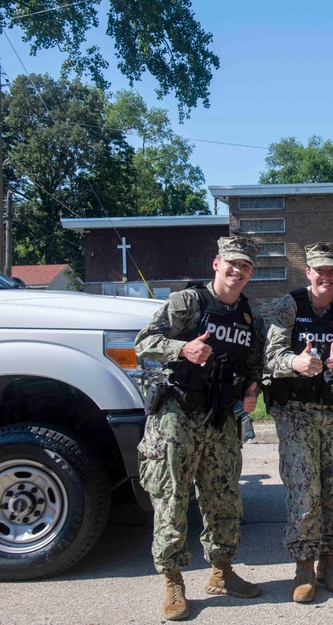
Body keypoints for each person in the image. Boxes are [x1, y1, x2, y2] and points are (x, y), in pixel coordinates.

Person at [135, 236, 265, 621]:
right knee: (172, 497)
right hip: (177, 414)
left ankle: (222, 572)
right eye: (232, 263)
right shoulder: (187, 304)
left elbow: (254, 366)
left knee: (224, 496)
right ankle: (173, 581)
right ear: (216, 263)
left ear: (251, 273)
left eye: (244, 266)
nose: (237, 270)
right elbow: (143, 343)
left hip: (221, 417)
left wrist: (251, 393)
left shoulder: (249, 319)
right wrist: (182, 349)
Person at [265, 242, 333, 603]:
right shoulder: (290, 306)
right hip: (298, 414)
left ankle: (330, 560)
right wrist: (294, 363)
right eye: (319, 270)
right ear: (307, 272)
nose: (326, 277)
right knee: (304, 491)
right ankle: (304, 565)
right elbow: (271, 356)